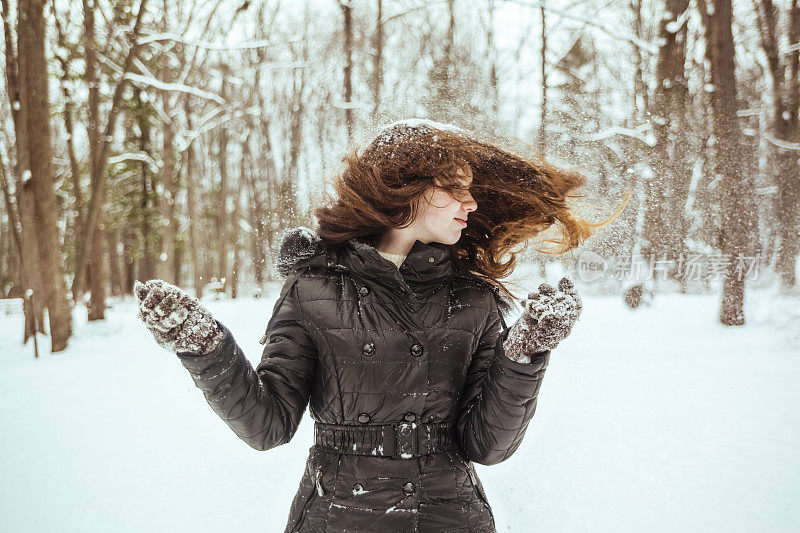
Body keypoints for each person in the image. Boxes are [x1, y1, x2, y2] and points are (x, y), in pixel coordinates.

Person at [135, 119, 619, 532]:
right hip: (339, 514)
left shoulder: (473, 298)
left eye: (470, 190)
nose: (470, 204)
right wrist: (204, 346)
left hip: (448, 517)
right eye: (455, 189)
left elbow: (486, 446)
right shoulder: (314, 289)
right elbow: (268, 425)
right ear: (403, 189)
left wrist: (524, 354)